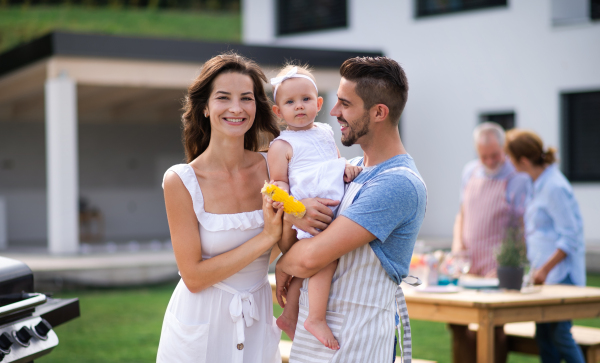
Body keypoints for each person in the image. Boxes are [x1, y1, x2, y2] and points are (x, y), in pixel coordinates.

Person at [275, 56, 427, 363]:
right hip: (313, 340)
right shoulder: (347, 170)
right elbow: (291, 240)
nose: (333, 112)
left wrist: (281, 266)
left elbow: (308, 260)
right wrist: (294, 212)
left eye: (345, 104)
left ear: (379, 112)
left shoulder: (397, 184)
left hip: (356, 344)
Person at [156, 53, 285, 363]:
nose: (236, 108)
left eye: (247, 98)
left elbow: (293, 236)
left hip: (256, 319)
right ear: (204, 107)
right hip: (200, 324)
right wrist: (266, 238)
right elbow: (194, 277)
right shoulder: (181, 181)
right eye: (223, 98)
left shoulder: (276, 166)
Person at [266, 64, 362, 350]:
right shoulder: (281, 146)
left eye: (306, 99)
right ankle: (315, 318)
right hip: (308, 211)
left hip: (333, 205)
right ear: (278, 111)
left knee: (313, 264)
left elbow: (333, 161)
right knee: (325, 259)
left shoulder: (324, 131)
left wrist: (345, 169)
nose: (299, 107)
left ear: (319, 104)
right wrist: (295, 207)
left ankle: (290, 314)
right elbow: (278, 185)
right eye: (290, 102)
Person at [449, 122, 531, 363]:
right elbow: (462, 213)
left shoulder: (517, 178)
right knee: (457, 323)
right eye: (484, 156)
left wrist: (514, 261)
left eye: (495, 155)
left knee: (494, 328)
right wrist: (456, 245)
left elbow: (524, 226)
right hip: (468, 262)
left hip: (497, 267)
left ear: (504, 149)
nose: (490, 161)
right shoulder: (470, 171)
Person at [505, 129, 586, 363]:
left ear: (522, 160)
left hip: (561, 275)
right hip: (545, 275)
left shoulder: (554, 187)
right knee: (544, 336)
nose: (509, 163)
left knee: (560, 335)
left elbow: (570, 237)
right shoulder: (536, 182)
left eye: (510, 158)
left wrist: (545, 269)